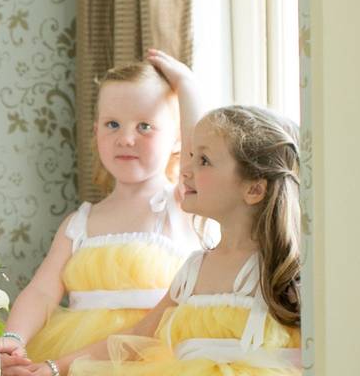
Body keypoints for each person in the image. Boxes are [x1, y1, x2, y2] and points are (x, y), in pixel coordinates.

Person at [0, 51, 206, 370]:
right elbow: (41, 292)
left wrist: (187, 84)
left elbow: (201, 154)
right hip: (76, 357)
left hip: (153, 354)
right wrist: (14, 339)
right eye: (112, 124)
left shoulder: (181, 204)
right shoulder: (79, 223)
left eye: (145, 127)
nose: (125, 138)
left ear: (178, 139)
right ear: (95, 132)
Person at [67, 104, 302, 375]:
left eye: (203, 161)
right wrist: (54, 368)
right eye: (189, 156)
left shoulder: (285, 272)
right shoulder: (193, 271)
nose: (185, 170)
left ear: (254, 189)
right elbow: (137, 337)